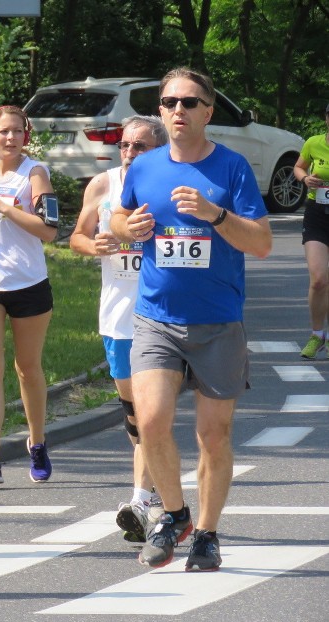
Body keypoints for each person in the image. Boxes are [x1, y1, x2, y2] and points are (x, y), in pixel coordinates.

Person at [110, 68, 272, 571]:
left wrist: (215, 215)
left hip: (218, 322)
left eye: (188, 102)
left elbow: (262, 243)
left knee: (213, 436)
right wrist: (126, 225)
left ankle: (207, 532)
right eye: (168, 102)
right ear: (160, 111)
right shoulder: (145, 167)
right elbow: (118, 219)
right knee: (152, 421)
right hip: (156, 318)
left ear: (208, 111)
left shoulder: (232, 168)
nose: (177, 110)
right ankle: (175, 514)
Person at [69, 115, 168, 542]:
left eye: (139, 146)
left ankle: (142, 500)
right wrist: (95, 244)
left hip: (160, 313)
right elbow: (76, 235)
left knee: (148, 415)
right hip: (116, 314)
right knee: (134, 418)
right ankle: (159, 494)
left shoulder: (170, 184)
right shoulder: (103, 185)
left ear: (158, 150)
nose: (129, 153)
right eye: (125, 145)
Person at [0, 105, 59, 485]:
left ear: (26, 135)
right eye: (3, 132)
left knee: (27, 367)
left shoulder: (35, 173)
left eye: (18, 132)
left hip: (28, 282)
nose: (10, 138)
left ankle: (36, 442)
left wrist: (4, 207)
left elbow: (49, 230)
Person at [292, 103, 329, 359]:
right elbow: (298, 167)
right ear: (326, 118)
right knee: (318, 279)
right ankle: (318, 335)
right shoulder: (314, 142)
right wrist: (305, 179)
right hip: (317, 213)